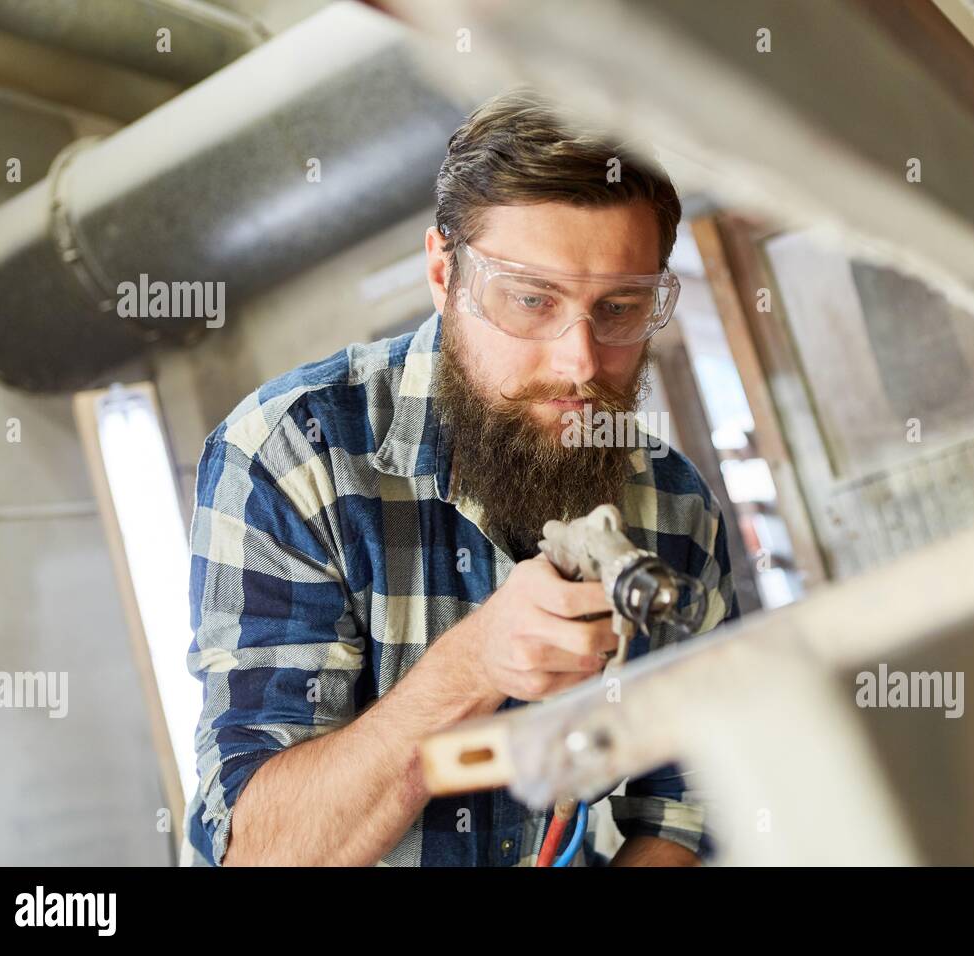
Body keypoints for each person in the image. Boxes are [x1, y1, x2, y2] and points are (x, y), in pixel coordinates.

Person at [182, 88, 739, 866]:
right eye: (532, 300)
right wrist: (473, 664)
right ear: (445, 274)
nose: (580, 362)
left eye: (618, 309)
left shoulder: (673, 505)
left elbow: (691, 802)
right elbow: (258, 850)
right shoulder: (292, 456)